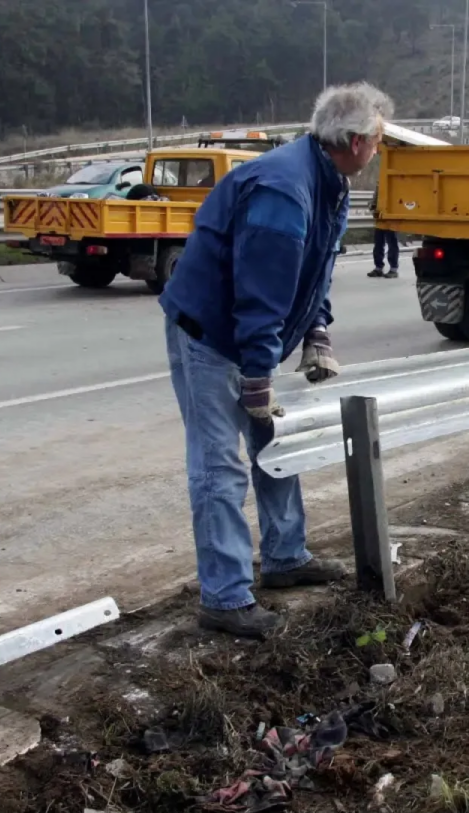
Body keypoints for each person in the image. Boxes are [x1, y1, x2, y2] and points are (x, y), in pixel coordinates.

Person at [158, 82, 394, 639]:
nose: (379, 148)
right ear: (356, 142)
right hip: (212, 335)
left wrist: (317, 330)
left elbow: (313, 271)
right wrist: (259, 376)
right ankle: (224, 598)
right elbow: (260, 296)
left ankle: (285, 558)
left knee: (277, 445)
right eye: (379, 139)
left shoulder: (327, 181)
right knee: (219, 464)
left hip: (250, 333)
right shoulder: (284, 191)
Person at [367, 189, 399, 278]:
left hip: (392, 218)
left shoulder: (396, 185)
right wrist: (372, 206)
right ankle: (378, 268)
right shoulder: (379, 185)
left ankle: (393, 268)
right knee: (378, 244)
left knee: (392, 243)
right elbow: (374, 198)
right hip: (380, 218)